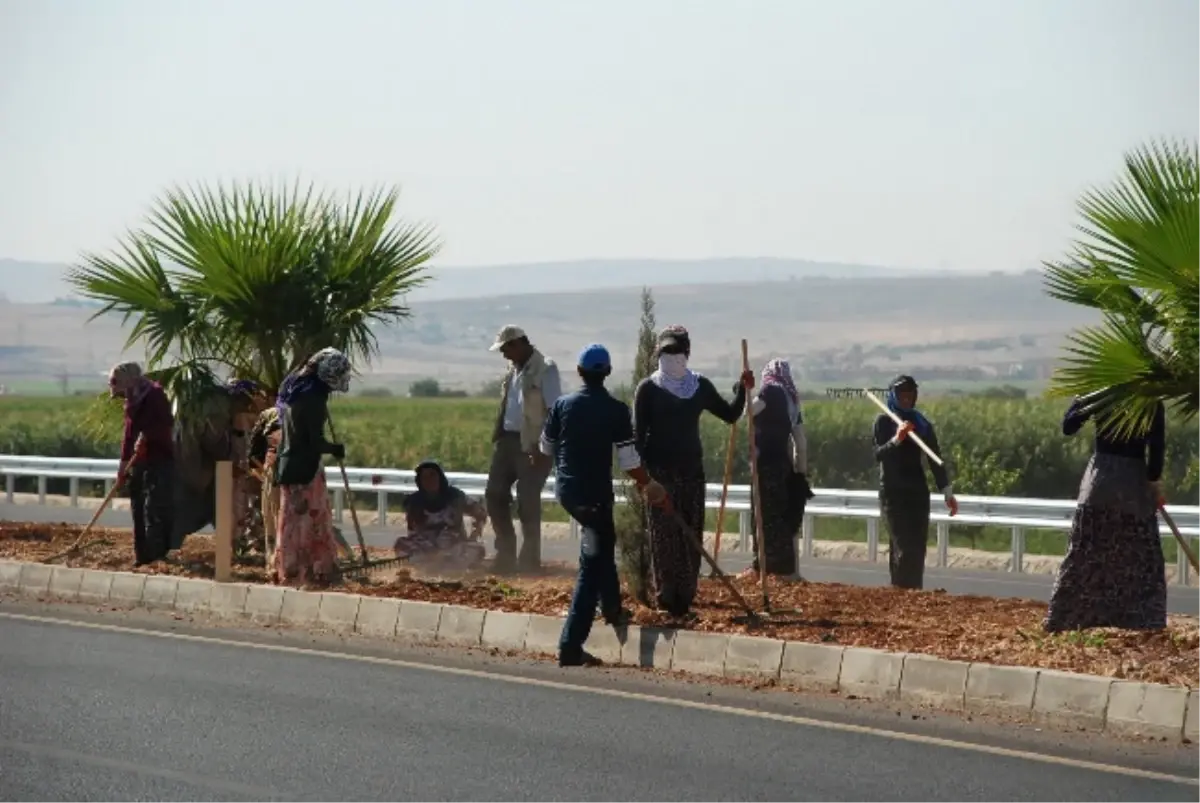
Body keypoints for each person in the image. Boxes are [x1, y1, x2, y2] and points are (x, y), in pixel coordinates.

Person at [540, 344, 670, 666]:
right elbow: (628, 459)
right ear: (607, 373)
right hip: (594, 497)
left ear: (580, 372)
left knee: (602, 543)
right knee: (591, 565)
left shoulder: (562, 405)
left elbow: (545, 447)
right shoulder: (616, 410)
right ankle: (570, 646)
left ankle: (611, 608)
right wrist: (649, 484)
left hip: (568, 493)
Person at [633, 325, 754, 617]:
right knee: (664, 539)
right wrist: (645, 480)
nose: (672, 357)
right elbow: (637, 437)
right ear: (658, 355)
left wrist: (741, 388)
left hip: (691, 474)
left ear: (687, 353)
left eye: (677, 351)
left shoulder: (698, 386)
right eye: (666, 352)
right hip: (660, 477)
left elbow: (730, 414)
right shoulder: (647, 389)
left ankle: (685, 598)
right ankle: (666, 597)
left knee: (690, 537)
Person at [1044, 397, 1167, 632]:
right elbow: (1156, 449)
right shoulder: (1150, 398)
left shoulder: (1102, 391)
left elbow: (1068, 426)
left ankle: (1066, 618)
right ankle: (1142, 621)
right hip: (1133, 485)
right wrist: (1153, 482)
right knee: (1139, 556)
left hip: (1099, 482)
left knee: (1086, 552)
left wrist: (1085, 400)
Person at [485, 325, 562, 574]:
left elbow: (553, 410)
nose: (504, 355)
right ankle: (505, 555)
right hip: (507, 440)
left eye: (506, 349)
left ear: (518, 344)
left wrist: (543, 446)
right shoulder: (513, 369)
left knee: (527, 501)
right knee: (494, 494)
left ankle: (529, 562)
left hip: (533, 442)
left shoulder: (546, 368)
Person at [872, 374, 958, 589]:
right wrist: (897, 439)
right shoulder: (884, 421)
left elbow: (935, 459)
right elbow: (878, 455)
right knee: (904, 547)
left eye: (911, 394)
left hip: (917, 492)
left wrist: (947, 492)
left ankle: (910, 593)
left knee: (917, 548)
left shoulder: (922, 423)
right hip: (893, 492)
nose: (907, 398)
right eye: (902, 394)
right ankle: (903, 593)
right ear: (893, 395)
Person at [272, 348, 350, 585]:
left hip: (288, 465)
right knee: (309, 521)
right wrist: (334, 448)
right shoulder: (313, 399)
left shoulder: (295, 391)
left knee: (292, 521)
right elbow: (313, 442)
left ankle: (288, 569)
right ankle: (312, 572)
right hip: (305, 469)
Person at [746, 358, 814, 578]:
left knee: (763, 515)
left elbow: (748, 411)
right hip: (782, 466)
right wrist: (799, 473)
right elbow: (801, 443)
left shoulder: (771, 391)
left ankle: (764, 568)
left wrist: (743, 393)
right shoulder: (792, 400)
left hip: (764, 464)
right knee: (782, 517)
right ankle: (785, 569)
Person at [108, 362, 176, 567]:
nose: (121, 395)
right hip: (139, 462)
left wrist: (148, 437)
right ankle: (141, 555)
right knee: (137, 505)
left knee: (154, 507)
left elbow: (165, 425)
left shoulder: (154, 395)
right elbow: (129, 435)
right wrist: (122, 467)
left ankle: (157, 555)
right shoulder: (132, 401)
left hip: (159, 460)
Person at [393, 459, 489, 571]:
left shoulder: (455, 497)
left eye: (433, 475)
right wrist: (432, 552)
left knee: (476, 549)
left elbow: (480, 513)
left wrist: (476, 532)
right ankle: (427, 567)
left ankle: (451, 567)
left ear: (440, 477)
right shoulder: (414, 503)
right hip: (426, 549)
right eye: (425, 477)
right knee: (401, 544)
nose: (430, 480)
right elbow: (413, 533)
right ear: (420, 481)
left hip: (454, 547)